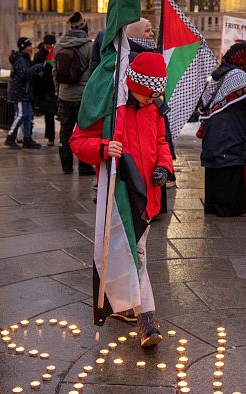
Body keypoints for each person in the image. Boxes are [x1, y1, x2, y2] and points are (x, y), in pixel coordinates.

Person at [70, 53, 172, 346]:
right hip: (120, 195)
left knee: (134, 252)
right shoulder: (111, 107)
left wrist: (164, 167)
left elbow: (160, 142)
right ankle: (148, 320)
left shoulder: (152, 106)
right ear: (135, 84)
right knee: (135, 253)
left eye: (157, 94)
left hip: (148, 196)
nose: (154, 98)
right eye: (150, 92)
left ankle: (124, 302)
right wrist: (103, 147)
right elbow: (78, 141)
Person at [198, 43, 246, 217]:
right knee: (235, 166)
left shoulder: (219, 75)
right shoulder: (238, 75)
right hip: (233, 132)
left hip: (215, 132)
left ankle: (215, 206)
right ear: (243, 58)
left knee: (218, 169)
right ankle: (238, 208)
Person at [55, 12, 95, 176]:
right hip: (83, 96)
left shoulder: (59, 45)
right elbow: (93, 72)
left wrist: (58, 91)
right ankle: (85, 167)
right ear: (84, 25)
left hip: (65, 95)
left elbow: (54, 72)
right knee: (84, 131)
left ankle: (66, 165)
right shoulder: (89, 46)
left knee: (65, 131)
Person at [6, 37, 45, 149]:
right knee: (21, 115)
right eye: (29, 46)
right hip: (19, 93)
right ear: (24, 47)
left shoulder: (26, 58)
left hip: (26, 92)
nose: (31, 48)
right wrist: (37, 67)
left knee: (28, 116)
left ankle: (27, 139)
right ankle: (10, 137)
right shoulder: (20, 60)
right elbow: (25, 74)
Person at [33, 34, 58, 147]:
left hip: (54, 87)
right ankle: (50, 137)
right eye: (48, 46)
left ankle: (53, 137)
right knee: (48, 113)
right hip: (44, 88)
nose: (50, 48)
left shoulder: (56, 53)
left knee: (52, 113)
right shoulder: (39, 56)